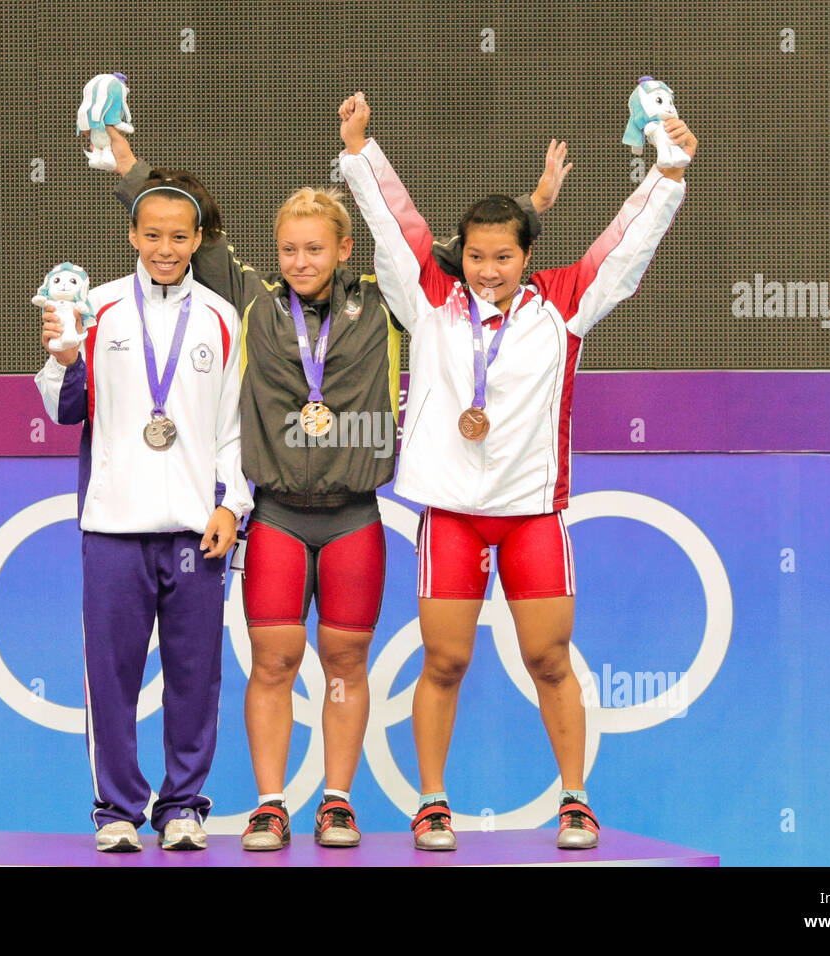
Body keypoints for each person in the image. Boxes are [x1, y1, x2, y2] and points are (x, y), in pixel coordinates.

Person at [98, 105, 566, 850]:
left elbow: (465, 255)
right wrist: (128, 172)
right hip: (278, 516)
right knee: (275, 662)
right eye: (288, 248)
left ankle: (338, 801)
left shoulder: (385, 301)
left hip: (354, 515)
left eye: (315, 248)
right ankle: (271, 802)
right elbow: (183, 232)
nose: (300, 260)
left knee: (345, 660)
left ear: (344, 248)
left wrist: (534, 209)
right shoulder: (250, 298)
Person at [339, 91, 696, 850]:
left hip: (533, 513)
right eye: (476, 256)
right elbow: (397, 226)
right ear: (459, 255)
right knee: (445, 659)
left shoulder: (564, 305)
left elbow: (622, 249)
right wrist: (361, 152)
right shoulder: (428, 299)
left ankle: (575, 797)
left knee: (548, 657)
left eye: (504, 256)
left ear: (526, 256)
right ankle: (432, 801)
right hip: (451, 514)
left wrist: (666, 174)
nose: (489, 270)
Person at [34, 170, 253, 852]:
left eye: (178, 237)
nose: (165, 248)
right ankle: (118, 810)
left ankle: (183, 805)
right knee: (112, 674)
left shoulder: (220, 316)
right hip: (112, 527)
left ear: (197, 240)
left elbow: (232, 427)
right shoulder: (95, 310)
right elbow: (66, 408)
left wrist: (232, 505)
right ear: (131, 234)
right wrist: (61, 358)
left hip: (194, 528)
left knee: (196, 672)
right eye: (152, 234)